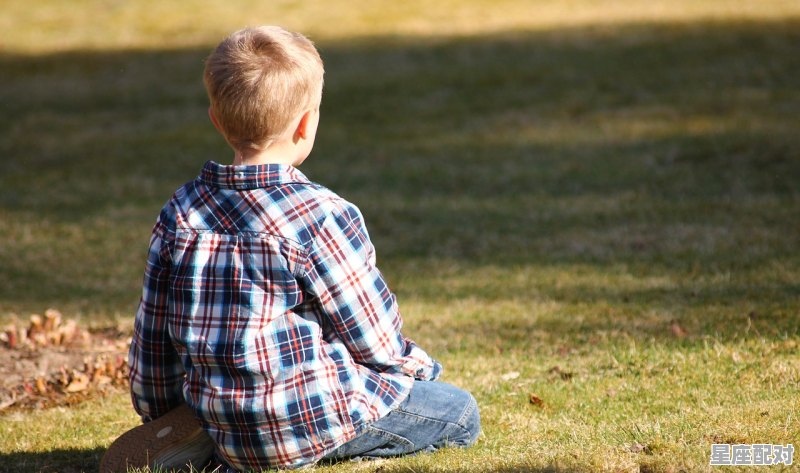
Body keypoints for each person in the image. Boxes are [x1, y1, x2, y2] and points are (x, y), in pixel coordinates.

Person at [100, 25, 480, 472]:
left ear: (217, 120)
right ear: (306, 124)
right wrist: (415, 370)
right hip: (305, 418)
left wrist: (161, 417)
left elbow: (152, 336)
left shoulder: (180, 213)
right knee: (458, 411)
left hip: (217, 417)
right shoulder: (320, 214)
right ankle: (296, 448)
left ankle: (206, 443)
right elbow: (371, 335)